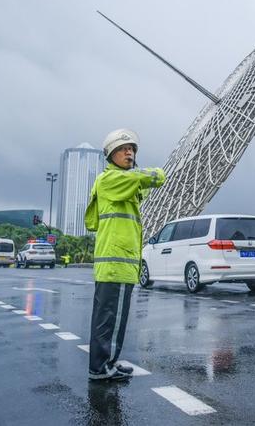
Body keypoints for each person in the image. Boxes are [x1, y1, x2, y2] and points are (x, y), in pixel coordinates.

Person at [84, 128, 166, 381]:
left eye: (132, 149)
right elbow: (158, 176)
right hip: (116, 264)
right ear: (110, 155)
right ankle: (101, 368)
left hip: (118, 264)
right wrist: (142, 174)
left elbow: (141, 189)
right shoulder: (111, 179)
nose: (129, 152)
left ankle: (108, 362)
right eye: (123, 149)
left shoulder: (120, 182)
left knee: (112, 319)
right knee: (111, 319)